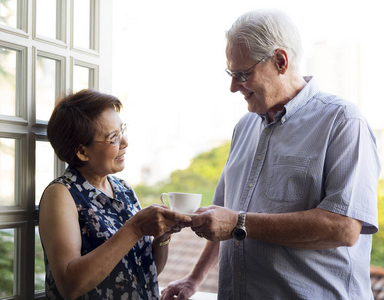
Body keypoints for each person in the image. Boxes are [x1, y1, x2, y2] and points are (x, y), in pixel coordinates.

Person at [161, 9, 380, 300]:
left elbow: (343, 228)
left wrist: (239, 223)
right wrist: (194, 278)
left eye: (242, 74)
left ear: (280, 61)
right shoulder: (243, 127)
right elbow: (225, 214)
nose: (232, 87)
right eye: (231, 74)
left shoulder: (342, 121)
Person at [39, 89, 191, 300]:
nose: (125, 142)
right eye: (113, 137)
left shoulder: (123, 189)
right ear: (82, 151)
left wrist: (163, 236)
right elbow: (70, 285)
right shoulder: (61, 194)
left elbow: (147, 271)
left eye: (122, 131)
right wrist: (136, 228)